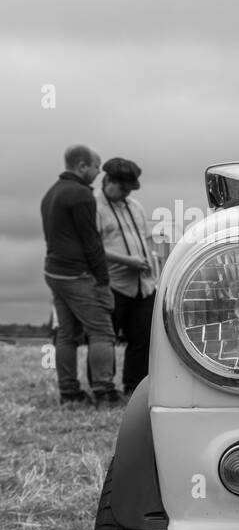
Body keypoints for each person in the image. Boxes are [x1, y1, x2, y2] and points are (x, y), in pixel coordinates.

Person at [40, 145, 120, 406]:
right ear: (82, 165)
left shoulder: (50, 194)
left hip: (54, 270)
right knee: (102, 332)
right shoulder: (82, 195)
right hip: (78, 274)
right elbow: (91, 241)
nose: (99, 173)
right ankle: (104, 391)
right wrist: (103, 281)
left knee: (66, 333)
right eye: (97, 167)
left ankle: (69, 393)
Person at [97, 157, 158, 396]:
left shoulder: (135, 206)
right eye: (122, 188)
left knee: (142, 338)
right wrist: (128, 262)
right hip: (115, 285)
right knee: (106, 339)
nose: (125, 194)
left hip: (143, 284)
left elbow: (146, 239)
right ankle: (104, 386)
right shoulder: (94, 208)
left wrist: (152, 263)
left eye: (129, 190)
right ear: (108, 181)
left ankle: (134, 388)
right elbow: (95, 248)